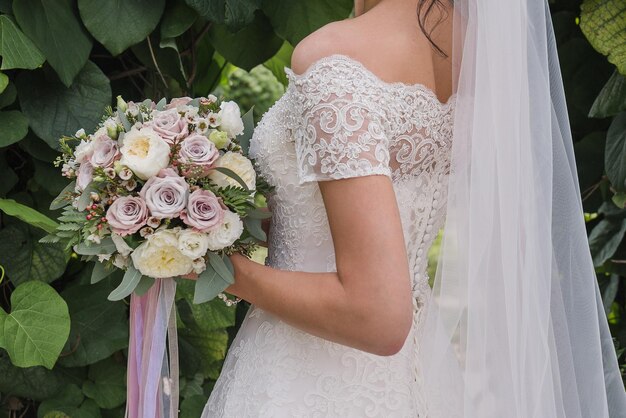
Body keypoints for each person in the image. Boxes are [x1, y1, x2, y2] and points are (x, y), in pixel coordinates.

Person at [202, 0, 626, 416]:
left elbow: (377, 316)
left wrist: (216, 265)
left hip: (300, 380)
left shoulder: (334, 59)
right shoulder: (484, 52)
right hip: (416, 374)